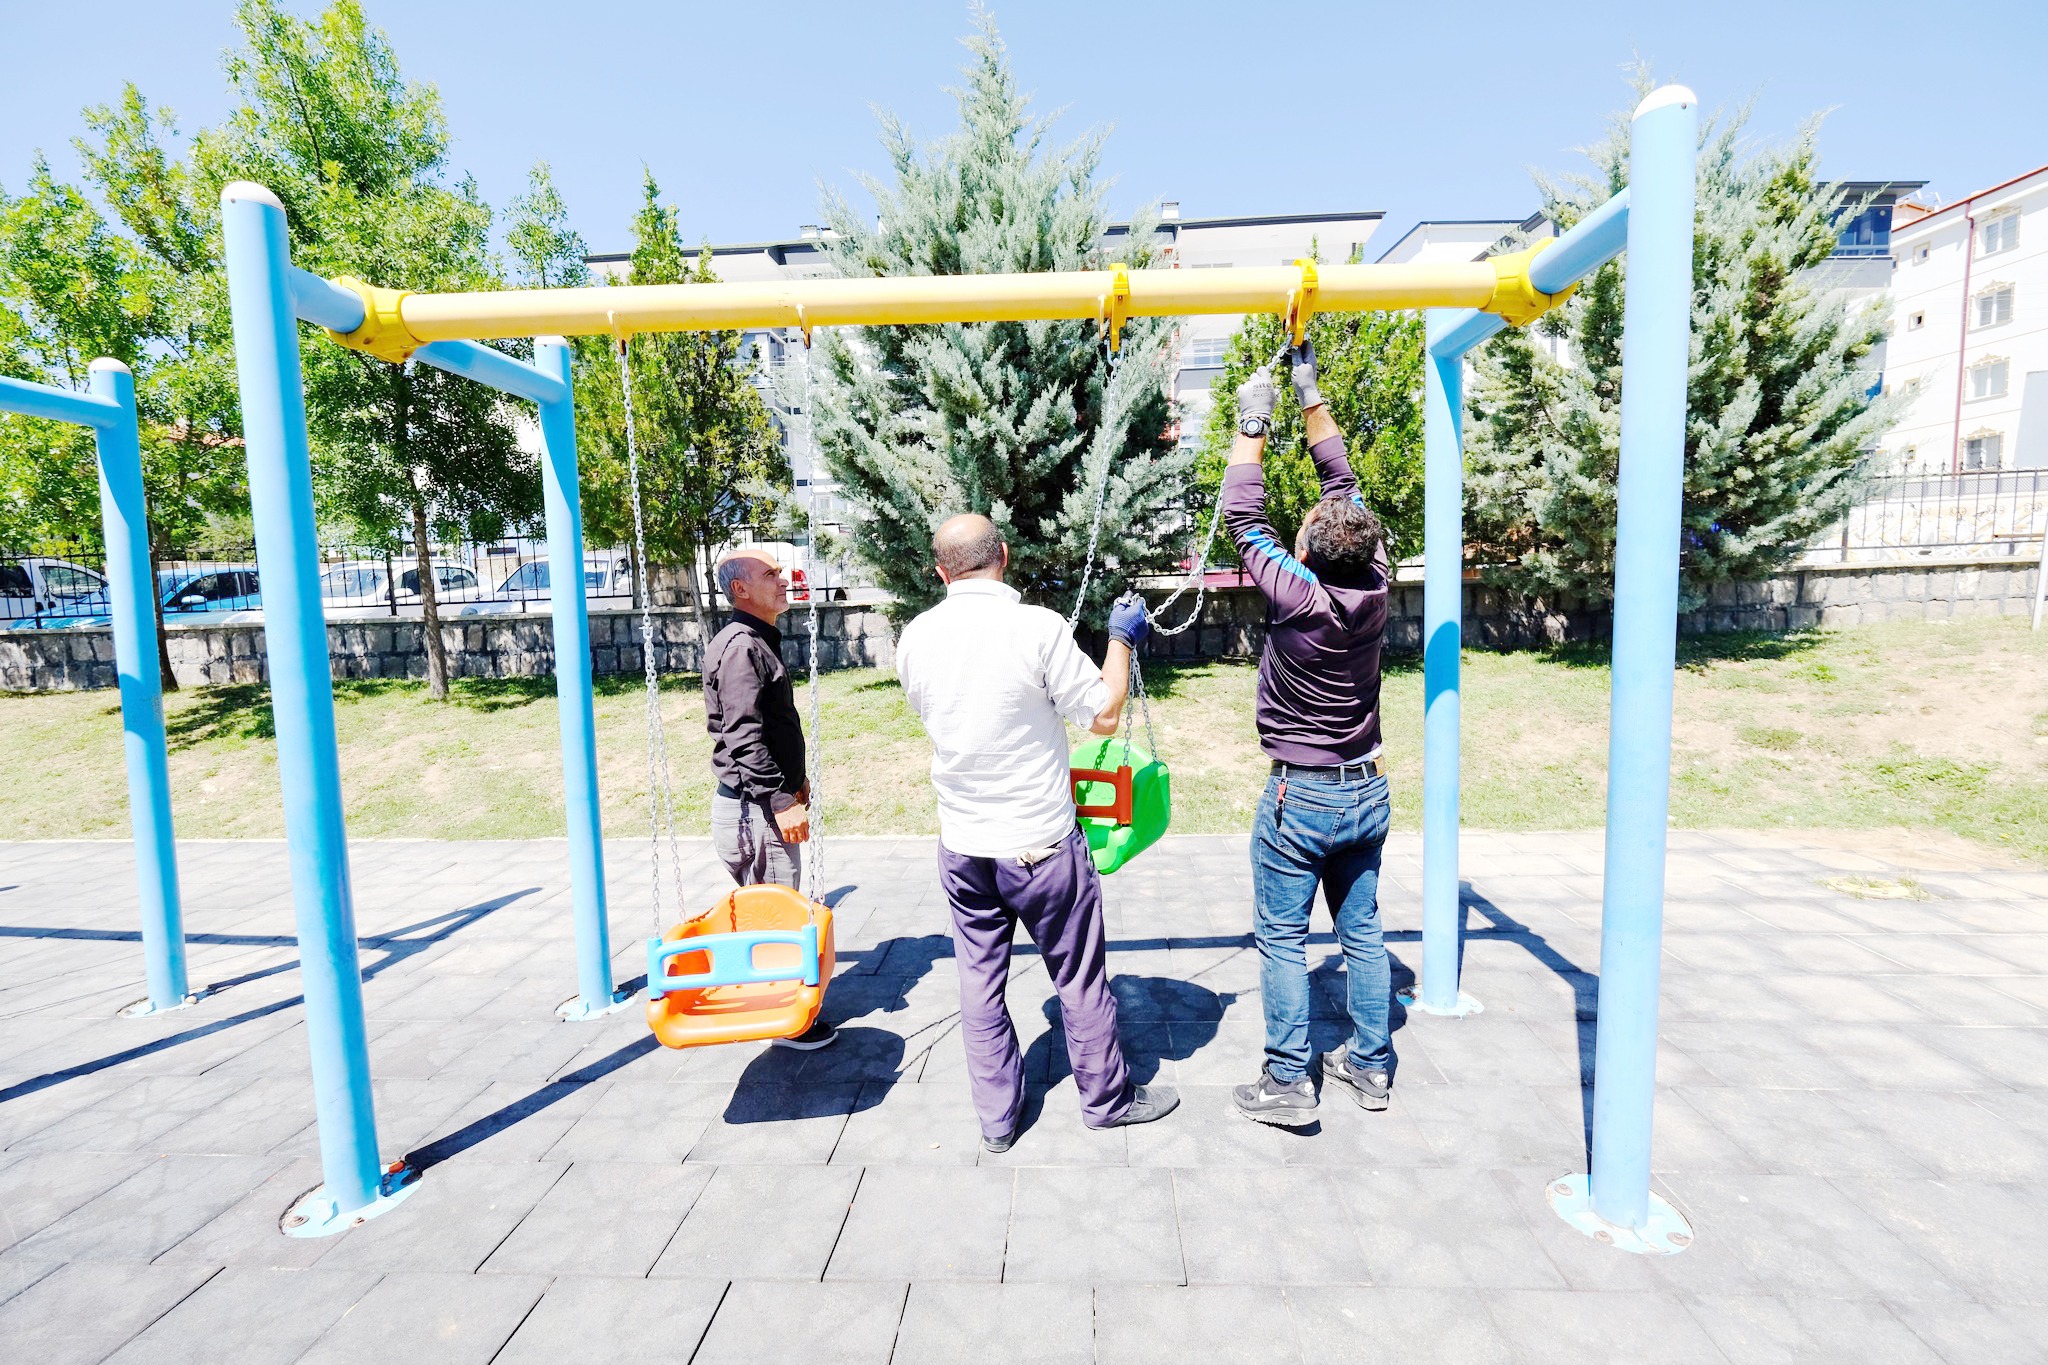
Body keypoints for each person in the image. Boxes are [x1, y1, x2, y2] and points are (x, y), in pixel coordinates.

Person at [894, 515, 1179, 1152]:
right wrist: (1121, 642)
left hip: (965, 844)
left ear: (941, 571)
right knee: (1077, 977)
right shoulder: (1037, 628)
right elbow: (1103, 718)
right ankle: (1105, 1101)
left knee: (978, 980)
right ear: (1005, 554)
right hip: (1042, 846)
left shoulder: (914, 638)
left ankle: (997, 1122)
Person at [1222, 342, 1396, 1127]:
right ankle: (1371, 1064)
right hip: (1368, 785)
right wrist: (1310, 395)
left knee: (1282, 936)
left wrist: (1254, 415)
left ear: (1306, 550)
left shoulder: (1299, 596)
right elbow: (1344, 490)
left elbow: (1239, 513)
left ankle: (1289, 1079)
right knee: (1360, 930)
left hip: (1305, 796)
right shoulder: (1379, 582)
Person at [703, 547, 836, 1051]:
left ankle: (782, 1008)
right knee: (779, 914)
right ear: (741, 589)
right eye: (770, 574)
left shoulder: (753, 639)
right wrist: (780, 800)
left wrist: (791, 784)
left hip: (760, 802)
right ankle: (787, 1022)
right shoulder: (741, 646)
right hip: (754, 810)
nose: (783, 580)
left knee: (778, 907)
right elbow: (744, 736)